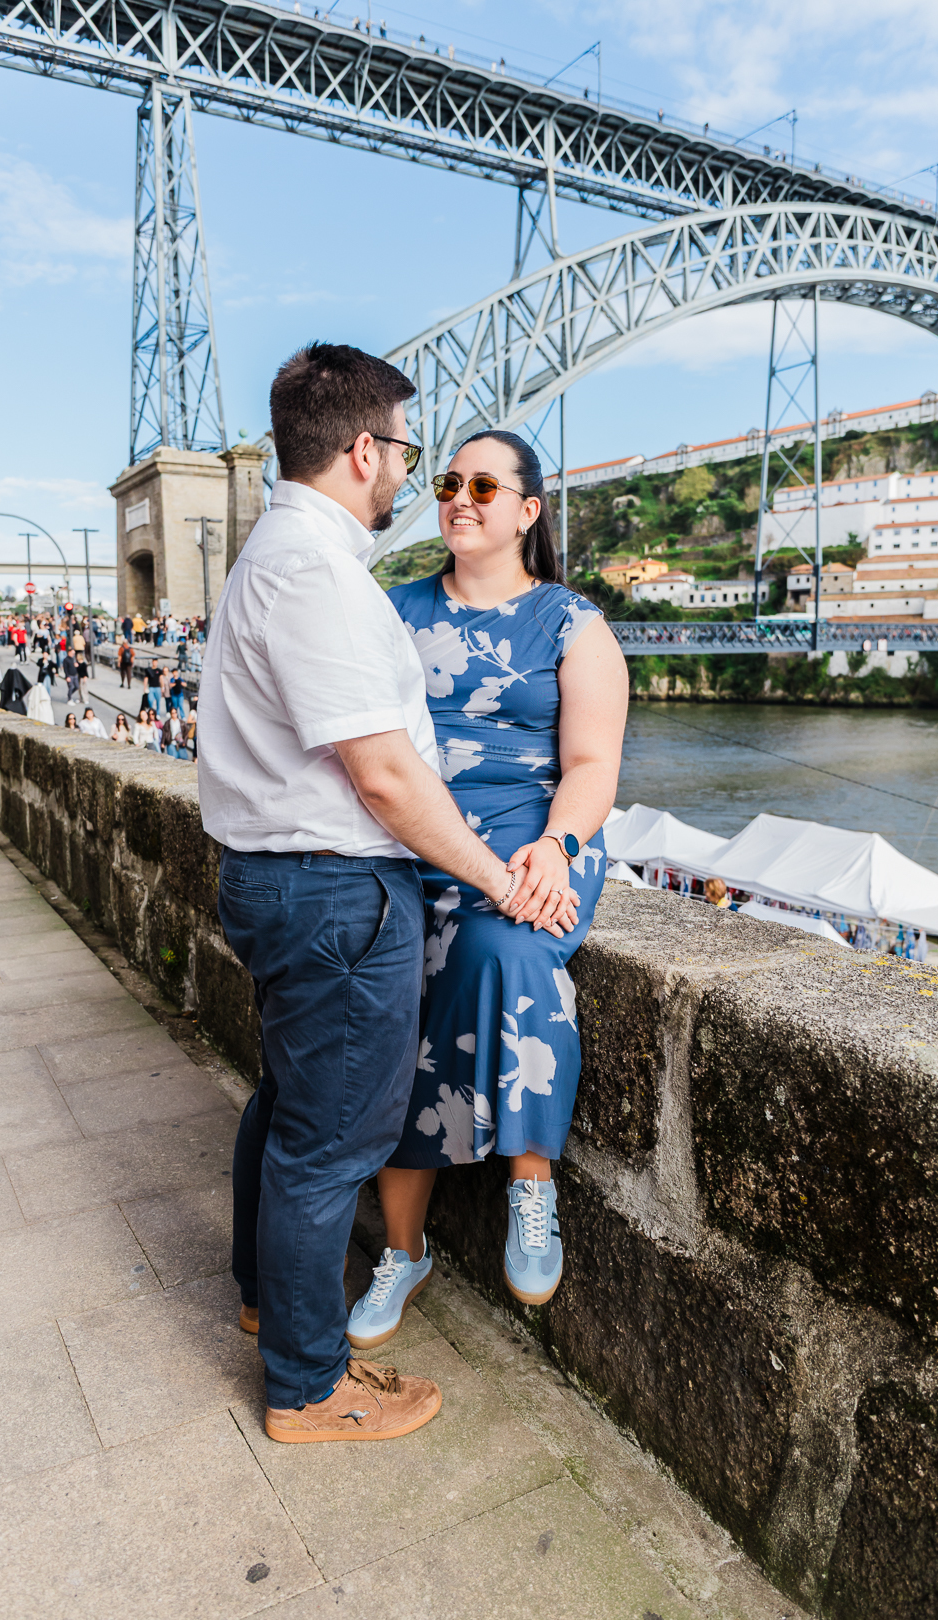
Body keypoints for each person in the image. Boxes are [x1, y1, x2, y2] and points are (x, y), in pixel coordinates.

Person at [197, 341, 540, 1446]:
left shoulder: (284, 554)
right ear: (361, 448)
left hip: (289, 883)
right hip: (334, 891)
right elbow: (387, 775)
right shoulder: (316, 570)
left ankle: (265, 1296)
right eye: (406, 450)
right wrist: (495, 875)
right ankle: (308, 1386)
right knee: (329, 1143)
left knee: (288, 1108)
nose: (410, 474)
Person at [345, 430, 627, 1349]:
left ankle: (530, 1185)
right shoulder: (392, 612)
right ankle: (404, 1250)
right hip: (415, 840)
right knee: (396, 996)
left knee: (505, 945)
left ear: (527, 510)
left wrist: (556, 845)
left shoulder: (572, 623)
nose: (460, 497)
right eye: (448, 482)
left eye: (483, 484)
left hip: (536, 842)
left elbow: (590, 762)